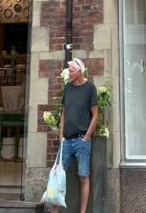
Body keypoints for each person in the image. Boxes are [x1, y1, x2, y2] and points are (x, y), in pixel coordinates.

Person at [51, 58, 98, 213]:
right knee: (58, 175)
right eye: (69, 70)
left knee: (83, 176)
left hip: (81, 140)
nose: (69, 73)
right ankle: (54, 211)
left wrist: (87, 136)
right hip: (67, 141)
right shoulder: (68, 88)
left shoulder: (90, 88)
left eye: (71, 71)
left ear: (80, 71)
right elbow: (64, 113)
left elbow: (95, 114)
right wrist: (61, 136)